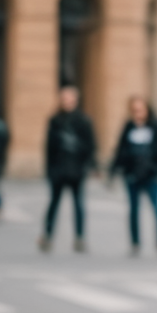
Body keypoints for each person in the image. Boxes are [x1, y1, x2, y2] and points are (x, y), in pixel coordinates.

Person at [109, 97, 157, 257]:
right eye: (134, 110)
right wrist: (113, 171)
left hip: (151, 175)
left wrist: (156, 169)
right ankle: (135, 242)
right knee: (134, 209)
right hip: (132, 175)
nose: (138, 113)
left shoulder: (156, 127)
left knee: (156, 208)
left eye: (140, 110)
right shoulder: (128, 127)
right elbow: (120, 150)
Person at [39, 85, 96, 253]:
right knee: (54, 204)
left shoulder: (84, 120)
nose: (67, 102)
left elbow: (91, 146)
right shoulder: (55, 120)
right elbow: (49, 147)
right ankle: (47, 236)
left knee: (78, 204)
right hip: (58, 169)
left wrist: (87, 166)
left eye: (70, 98)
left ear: (76, 100)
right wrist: (49, 170)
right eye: (64, 98)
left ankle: (79, 237)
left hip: (77, 170)